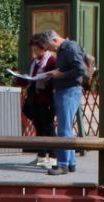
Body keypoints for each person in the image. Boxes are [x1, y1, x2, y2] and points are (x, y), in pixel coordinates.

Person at [42, 30, 85, 176]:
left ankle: (63, 164)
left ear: (55, 40)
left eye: (49, 47)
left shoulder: (70, 48)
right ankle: (71, 163)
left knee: (63, 129)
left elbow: (80, 69)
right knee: (66, 128)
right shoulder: (62, 50)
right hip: (65, 90)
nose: (49, 50)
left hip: (69, 91)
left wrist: (62, 75)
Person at [16, 33, 56, 168]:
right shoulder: (34, 62)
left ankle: (53, 156)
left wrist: (46, 80)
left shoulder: (52, 61)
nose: (35, 52)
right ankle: (41, 155)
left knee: (48, 127)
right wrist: (20, 77)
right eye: (33, 49)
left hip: (47, 99)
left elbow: (55, 79)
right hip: (35, 98)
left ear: (44, 48)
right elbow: (30, 79)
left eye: (37, 49)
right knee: (38, 126)